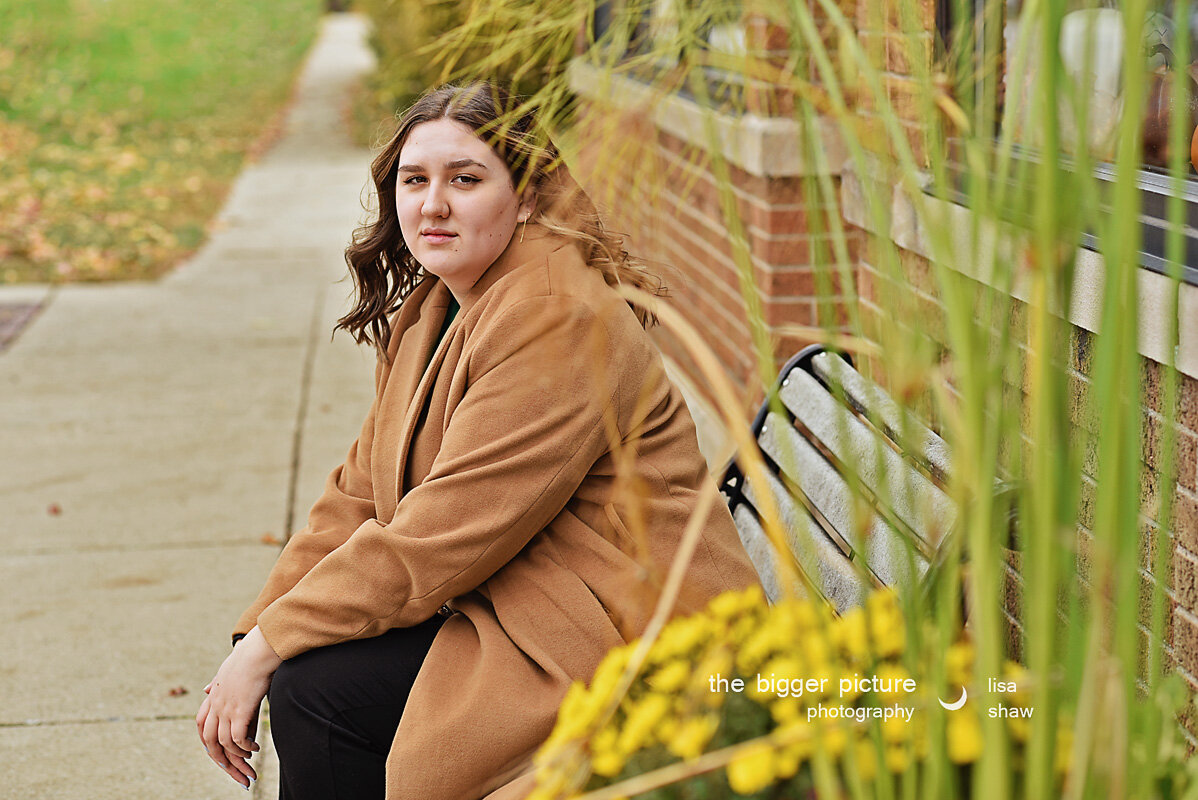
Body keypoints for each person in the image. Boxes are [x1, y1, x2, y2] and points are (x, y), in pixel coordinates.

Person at [196, 81, 761, 800]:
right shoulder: (434, 309)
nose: (433, 204)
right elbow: (355, 499)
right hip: (532, 598)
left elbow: (444, 534)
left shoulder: (556, 316)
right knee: (314, 679)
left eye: (465, 180)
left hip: (628, 630)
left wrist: (279, 643)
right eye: (414, 180)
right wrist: (256, 639)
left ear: (527, 198)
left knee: (322, 695)